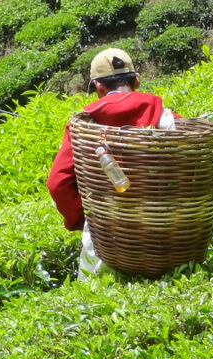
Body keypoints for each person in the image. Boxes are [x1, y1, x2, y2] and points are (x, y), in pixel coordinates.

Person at [47, 48, 178, 279]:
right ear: (136, 80)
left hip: (106, 236)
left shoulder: (82, 127)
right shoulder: (164, 117)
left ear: (98, 86)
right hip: (165, 234)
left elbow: (58, 183)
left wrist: (79, 218)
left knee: (97, 297)